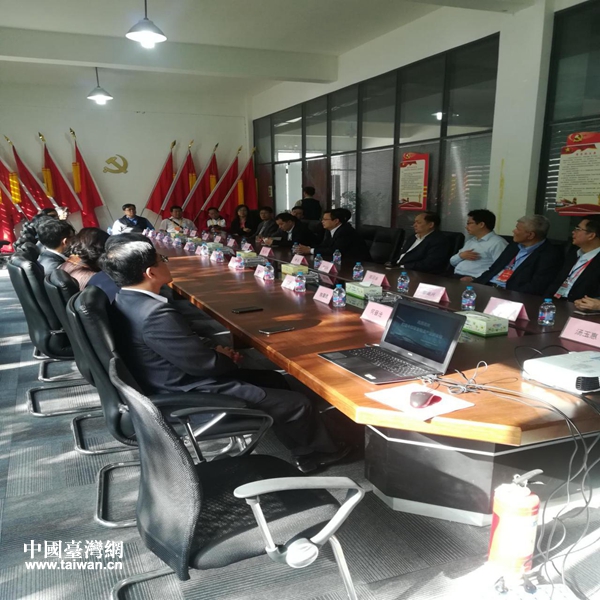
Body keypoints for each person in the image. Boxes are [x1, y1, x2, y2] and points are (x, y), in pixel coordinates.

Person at [102, 238, 350, 473]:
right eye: (162, 259)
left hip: (165, 379)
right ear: (151, 273)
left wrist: (216, 353)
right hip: (187, 392)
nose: (167, 262)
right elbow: (204, 365)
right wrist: (224, 357)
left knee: (275, 379)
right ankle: (318, 454)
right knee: (297, 404)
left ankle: (305, 441)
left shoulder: (125, 299)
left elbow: (183, 350)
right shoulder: (155, 314)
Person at [475, 215, 561, 295]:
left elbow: (536, 286)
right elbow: (493, 269)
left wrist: (507, 294)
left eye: (518, 229)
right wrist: (475, 284)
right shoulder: (514, 245)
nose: (514, 231)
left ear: (530, 235)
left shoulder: (549, 255)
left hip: (510, 293)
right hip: (488, 286)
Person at [546, 217, 600, 302]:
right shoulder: (572, 253)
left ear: (591, 235)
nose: (573, 232)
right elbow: (557, 281)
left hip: (580, 305)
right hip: (556, 301)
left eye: (578, 229)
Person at [451, 209, 508, 280]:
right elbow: (452, 262)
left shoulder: (498, 243)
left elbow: (501, 268)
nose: (466, 227)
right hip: (456, 275)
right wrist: (461, 256)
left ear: (481, 224)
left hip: (477, 280)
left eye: (469, 223)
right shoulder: (471, 241)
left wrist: (474, 279)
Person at [296, 208, 371, 262]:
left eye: (325, 219)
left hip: (358, 263)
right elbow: (324, 246)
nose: (322, 221)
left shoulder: (345, 231)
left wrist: (310, 250)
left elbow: (335, 251)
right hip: (342, 261)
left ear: (336, 221)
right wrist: (308, 248)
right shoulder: (330, 230)